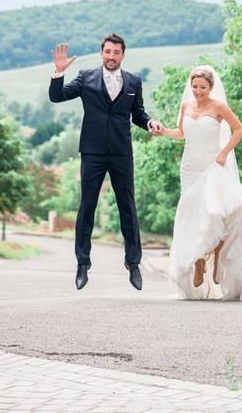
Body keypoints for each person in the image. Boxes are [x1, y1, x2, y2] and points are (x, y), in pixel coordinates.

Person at [161, 65, 242, 301]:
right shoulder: (185, 106)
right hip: (189, 167)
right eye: (194, 87)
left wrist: (223, 152)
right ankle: (199, 261)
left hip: (212, 165)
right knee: (193, 216)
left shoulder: (218, 106)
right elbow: (181, 133)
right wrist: (163, 131)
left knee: (216, 214)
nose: (198, 91)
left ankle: (217, 260)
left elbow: (239, 129)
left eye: (202, 87)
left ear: (211, 87)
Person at [48, 34, 162, 291]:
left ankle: (133, 263)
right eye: (107, 52)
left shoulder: (134, 81)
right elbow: (57, 97)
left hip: (122, 152)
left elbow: (138, 114)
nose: (111, 56)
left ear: (123, 55)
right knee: (87, 205)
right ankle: (82, 263)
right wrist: (58, 72)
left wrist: (150, 123)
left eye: (116, 53)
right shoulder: (86, 77)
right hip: (92, 152)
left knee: (127, 207)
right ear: (102, 53)